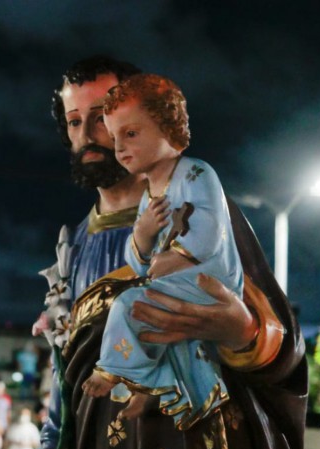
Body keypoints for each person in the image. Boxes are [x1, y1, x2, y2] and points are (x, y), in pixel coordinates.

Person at [34, 55, 305, 449]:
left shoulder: (198, 206)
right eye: (74, 120)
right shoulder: (75, 242)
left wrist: (240, 330)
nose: (89, 134)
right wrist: (50, 448)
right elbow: (67, 358)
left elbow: (284, 347)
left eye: (103, 117)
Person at [80, 73, 243, 427]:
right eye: (115, 137)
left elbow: (208, 234)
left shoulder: (197, 174)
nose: (119, 147)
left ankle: (111, 372)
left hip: (208, 280)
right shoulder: (149, 194)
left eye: (131, 133)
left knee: (128, 305)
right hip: (172, 280)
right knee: (152, 322)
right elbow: (139, 267)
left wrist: (171, 258)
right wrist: (142, 233)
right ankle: (155, 390)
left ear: (168, 129)